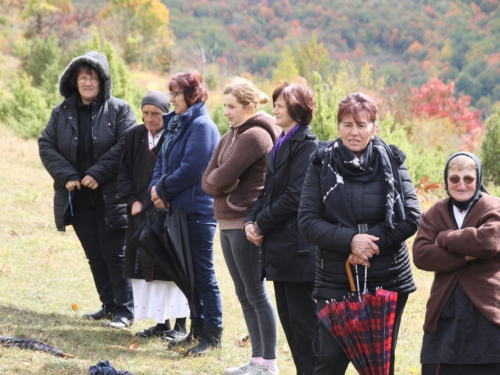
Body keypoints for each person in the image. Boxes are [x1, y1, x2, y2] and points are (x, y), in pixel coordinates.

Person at [298, 92, 420, 375]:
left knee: (378, 365)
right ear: (338, 126)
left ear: (373, 127)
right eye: (347, 124)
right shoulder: (320, 163)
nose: (354, 132)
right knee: (329, 360)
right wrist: (350, 241)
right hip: (336, 278)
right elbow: (307, 221)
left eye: (361, 125)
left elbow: (411, 217)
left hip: (387, 278)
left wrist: (369, 243)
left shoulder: (393, 159)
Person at [39, 51, 136, 328]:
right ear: (74, 80)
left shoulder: (120, 110)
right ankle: (108, 306)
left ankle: (125, 311)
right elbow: (46, 144)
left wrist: (97, 172)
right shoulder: (61, 112)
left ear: (103, 81)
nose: (88, 82)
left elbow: (126, 144)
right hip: (77, 197)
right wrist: (66, 174)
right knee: (94, 254)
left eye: (93, 78)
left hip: (111, 197)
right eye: (83, 77)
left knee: (115, 254)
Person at [202, 77, 281, 375]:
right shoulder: (229, 136)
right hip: (226, 222)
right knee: (243, 292)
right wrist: (220, 184)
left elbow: (218, 179)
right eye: (224, 106)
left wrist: (220, 183)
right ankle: (256, 360)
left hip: (245, 223)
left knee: (256, 293)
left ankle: (269, 363)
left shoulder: (255, 137)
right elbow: (207, 180)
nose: (226, 112)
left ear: (249, 106)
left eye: (231, 106)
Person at [244, 82, 318, 375]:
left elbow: (296, 195)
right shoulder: (281, 141)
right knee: (290, 323)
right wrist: (251, 219)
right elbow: (268, 190)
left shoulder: (307, 144)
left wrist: (261, 223)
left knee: (305, 327)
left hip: (298, 249)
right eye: (274, 103)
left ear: (298, 108)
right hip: (280, 248)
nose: (274, 108)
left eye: (280, 104)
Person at [149, 70, 222, 356]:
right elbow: (162, 162)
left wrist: (162, 190)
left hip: (198, 212)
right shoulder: (177, 124)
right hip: (176, 209)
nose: (171, 99)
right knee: (189, 275)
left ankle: (212, 334)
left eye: (175, 94)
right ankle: (196, 330)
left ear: (191, 95)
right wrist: (155, 189)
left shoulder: (202, 126)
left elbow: (192, 169)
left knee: (203, 275)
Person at [413, 152, 500, 375]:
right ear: (446, 180)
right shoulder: (435, 212)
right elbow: (422, 254)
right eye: (454, 178)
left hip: (486, 310)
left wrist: (444, 238)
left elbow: (487, 242)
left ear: (478, 178)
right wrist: (464, 256)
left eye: (468, 178)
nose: (461, 184)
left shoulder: (493, 207)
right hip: (445, 310)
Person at [118, 91, 189, 340]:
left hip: (167, 213)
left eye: (156, 114)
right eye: (145, 113)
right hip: (140, 213)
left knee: (172, 270)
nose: (149, 118)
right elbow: (123, 172)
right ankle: (161, 324)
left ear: (165, 113)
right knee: (149, 273)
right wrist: (132, 201)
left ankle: (180, 325)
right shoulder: (134, 136)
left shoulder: (175, 136)